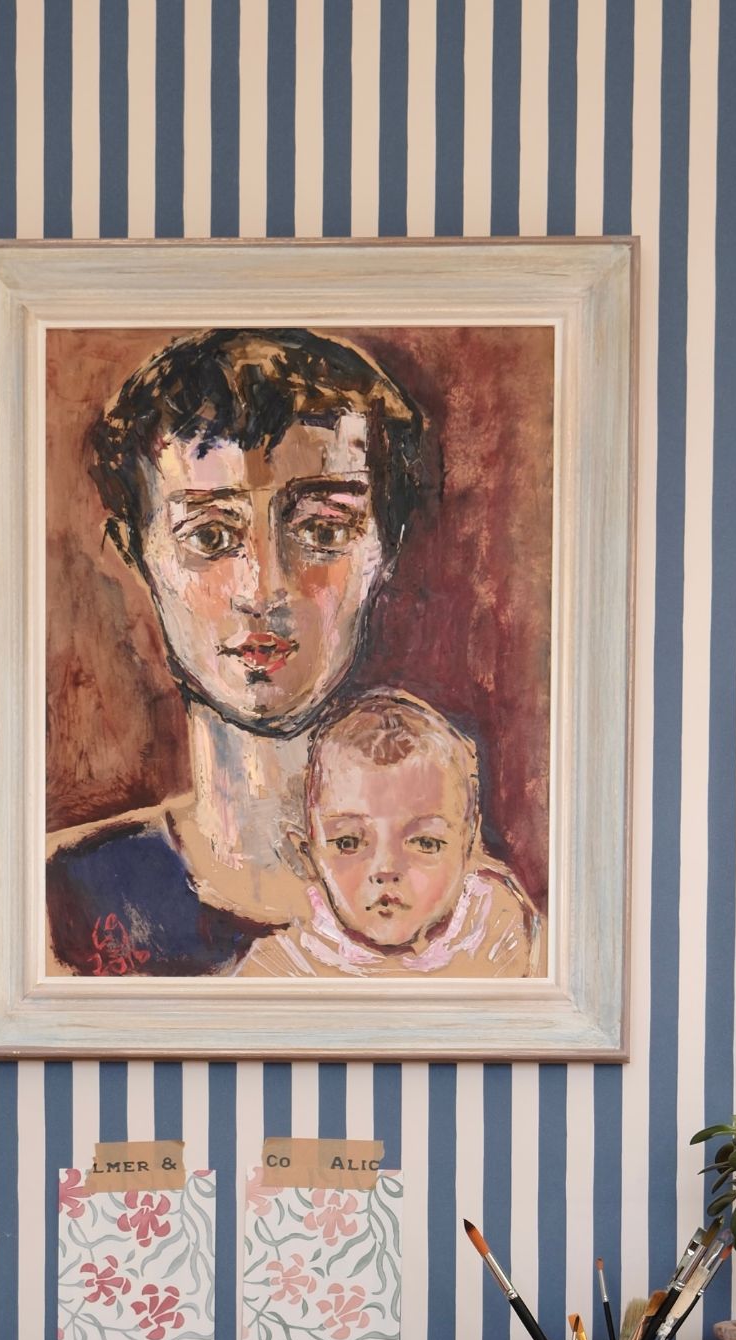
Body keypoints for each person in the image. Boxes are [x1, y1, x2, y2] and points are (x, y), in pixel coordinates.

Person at [47, 327, 431, 977]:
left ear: (383, 549)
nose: (264, 587)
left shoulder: (470, 912)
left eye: (322, 529)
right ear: (140, 555)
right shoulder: (61, 900)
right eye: (212, 534)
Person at [234, 690, 543, 979]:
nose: (386, 869)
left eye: (425, 843)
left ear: (469, 844)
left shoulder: (500, 926)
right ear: (308, 853)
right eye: (348, 843)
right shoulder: (282, 967)